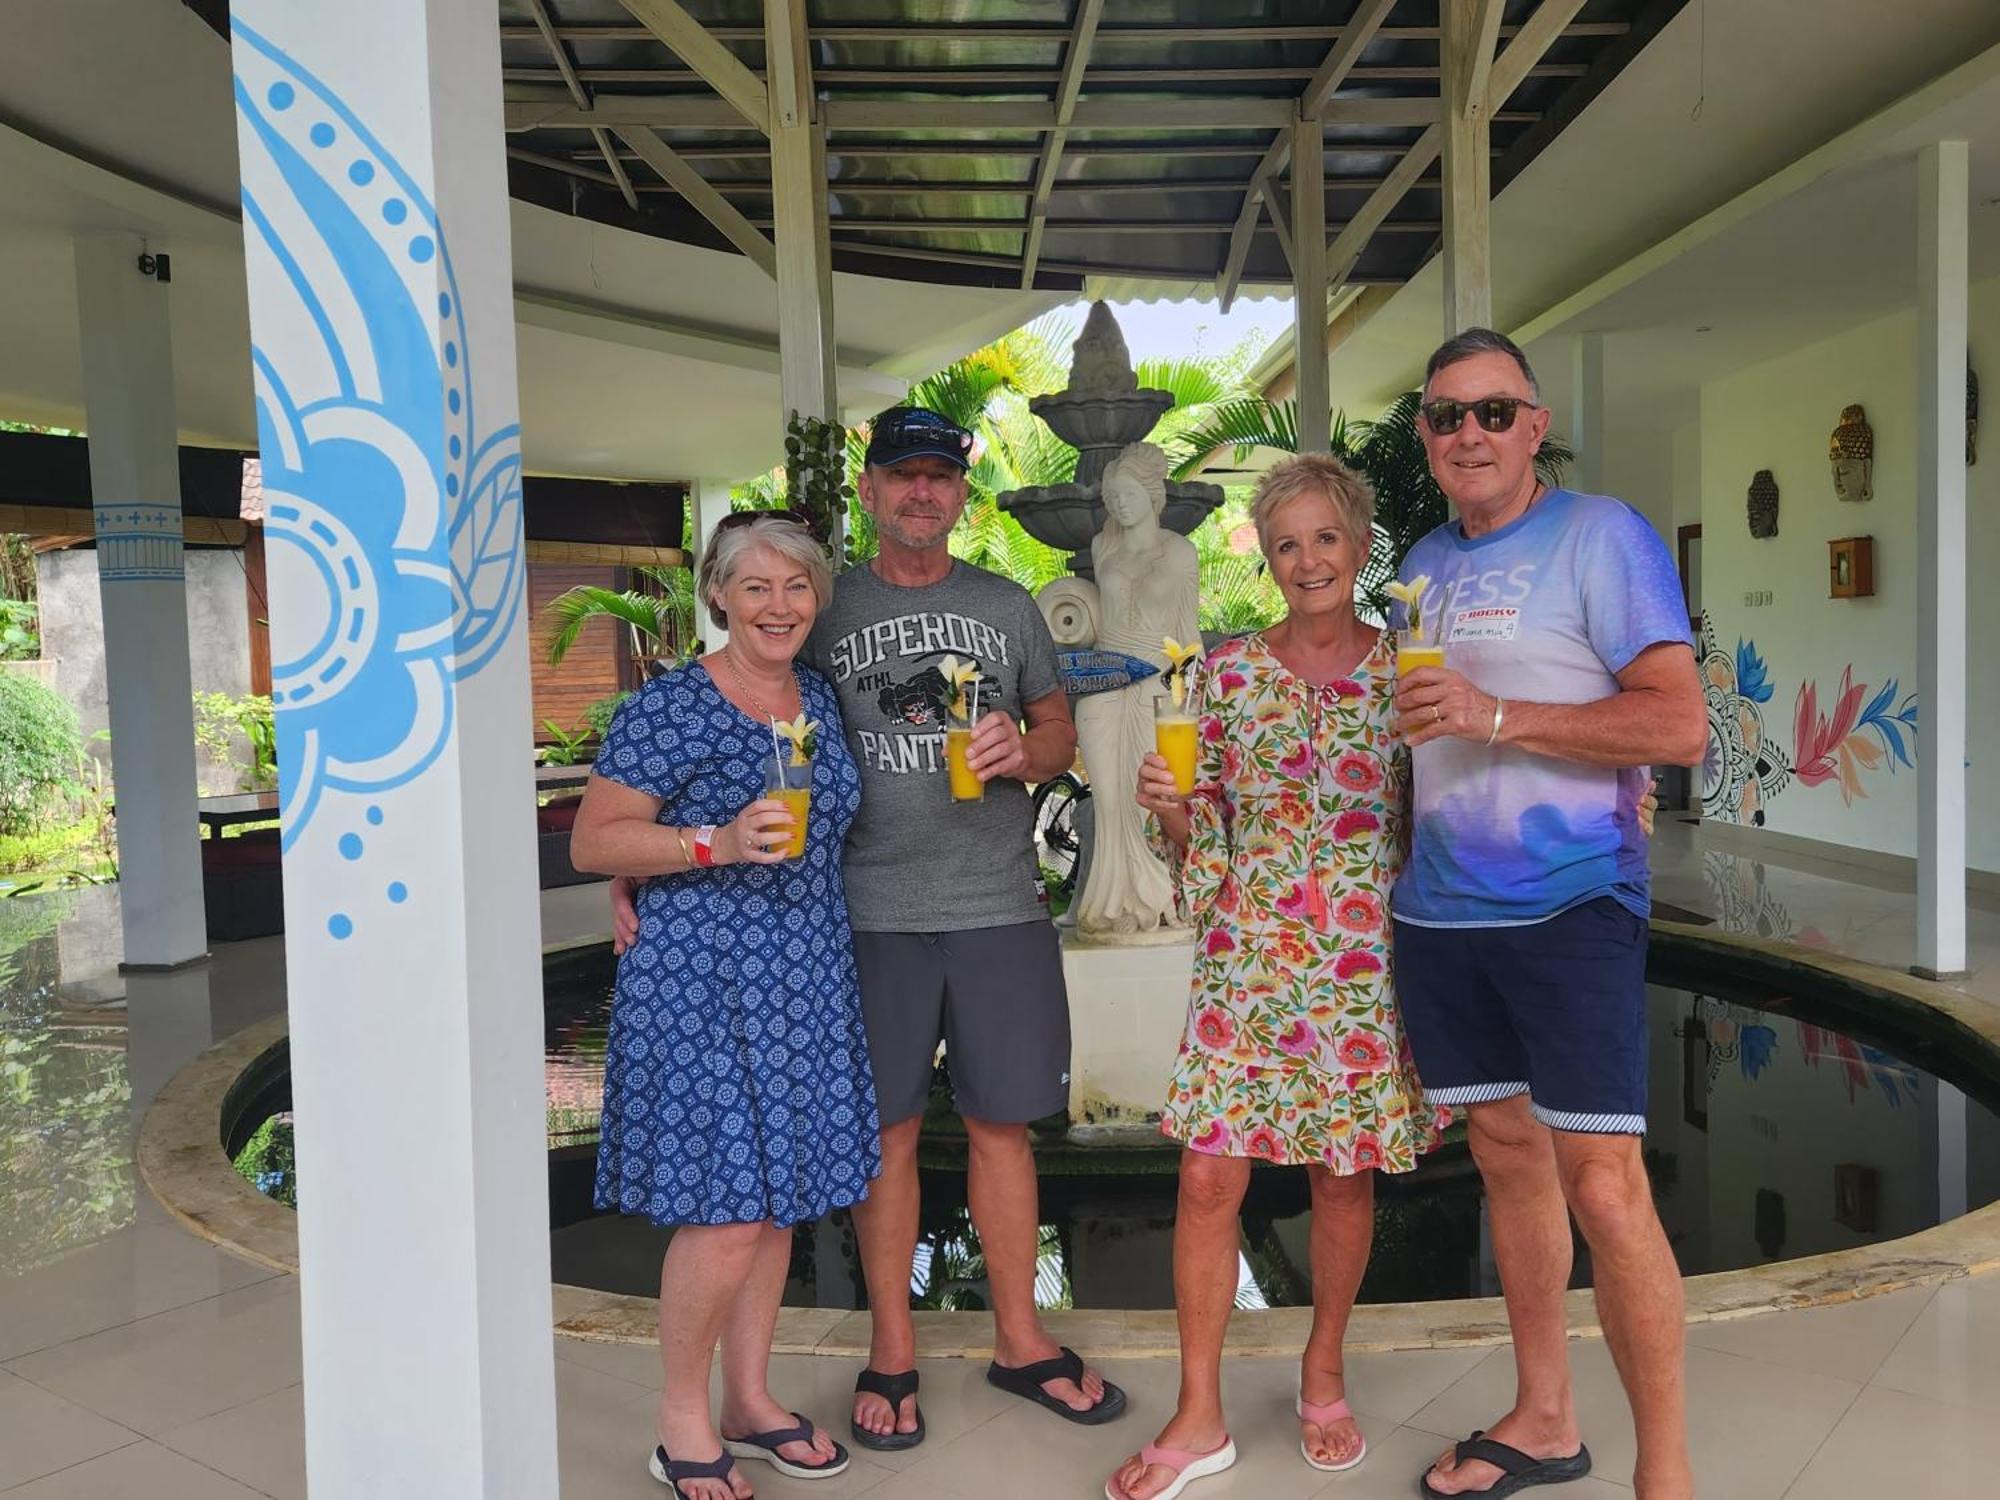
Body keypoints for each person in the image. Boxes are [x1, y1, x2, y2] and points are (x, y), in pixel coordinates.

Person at [612, 406, 1126, 1451]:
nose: (922, 493)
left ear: (960, 491)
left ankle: (1020, 1339)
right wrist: (640, 864)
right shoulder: (820, 605)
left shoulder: (1005, 602)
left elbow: (1056, 727)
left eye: (940, 475)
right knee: (882, 1134)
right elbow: (709, 741)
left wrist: (1023, 754)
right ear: (870, 488)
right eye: (903, 476)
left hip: (995, 900)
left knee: (1003, 1126)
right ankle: (890, 1346)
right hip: (858, 914)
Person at [1389, 329, 1706, 1500]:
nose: (1465, 433)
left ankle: (1662, 1478)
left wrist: (1496, 715)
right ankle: (1541, 1419)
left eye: (1489, 411)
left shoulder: (1600, 536)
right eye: (1442, 416)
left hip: (1568, 902)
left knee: (1605, 1184)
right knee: (1506, 1158)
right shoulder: (1421, 559)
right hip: (1440, 915)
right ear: (1423, 437)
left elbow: (1676, 728)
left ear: (1532, 424)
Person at [1104, 454, 1450, 1500]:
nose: (1306, 560)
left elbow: (1435, 815)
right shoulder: (1224, 673)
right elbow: (1196, 833)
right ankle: (1198, 1409)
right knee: (1209, 1176)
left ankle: (1322, 1366)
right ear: (1265, 554)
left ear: (1358, 546)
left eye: (1324, 539)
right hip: (1247, 958)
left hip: (1360, 963)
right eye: (1286, 542)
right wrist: (1166, 804)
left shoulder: (1409, 672)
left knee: (1341, 1174)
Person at [572, 513, 879, 1500]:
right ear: (717, 597)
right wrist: (706, 843)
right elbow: (594, 841)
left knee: (776, 1201)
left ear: (815, 599)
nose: (777, 605)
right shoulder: (670, 708)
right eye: (754, 588)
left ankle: (748, 1400)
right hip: (700, 986)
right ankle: (679, 1423)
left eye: (794, 587)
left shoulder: (819, 701)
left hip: (803, 980)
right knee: (723, 1212)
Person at [1067, 442, 1201, 935]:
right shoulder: (1104, 546)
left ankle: (1160, 897)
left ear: (1151, 494)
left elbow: (1189, 631)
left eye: (1127, 494)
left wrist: (1187, 701)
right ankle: (1106, 901)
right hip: (1104, 680)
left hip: (1156, 687)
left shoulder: (1181, 552)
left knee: (1149, 794)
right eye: (1112, 496)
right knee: (1107, 797)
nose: (1119, 505)